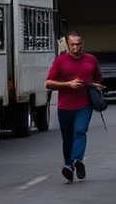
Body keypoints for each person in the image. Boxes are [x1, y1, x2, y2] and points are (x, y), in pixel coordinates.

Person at [44, 31, 103, 183]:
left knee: (80, 130)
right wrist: (68, 84)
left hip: (84, 104)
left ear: (83, 44)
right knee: (67, 138)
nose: (75, 47)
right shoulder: (61, 61)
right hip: (65, 106)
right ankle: (68, 166)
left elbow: (98, 79)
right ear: (68, 45)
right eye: (72, 45)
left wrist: (95, 85)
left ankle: (78, 160)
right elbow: (48, 83)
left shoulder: (91, 60)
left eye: (78, 44)